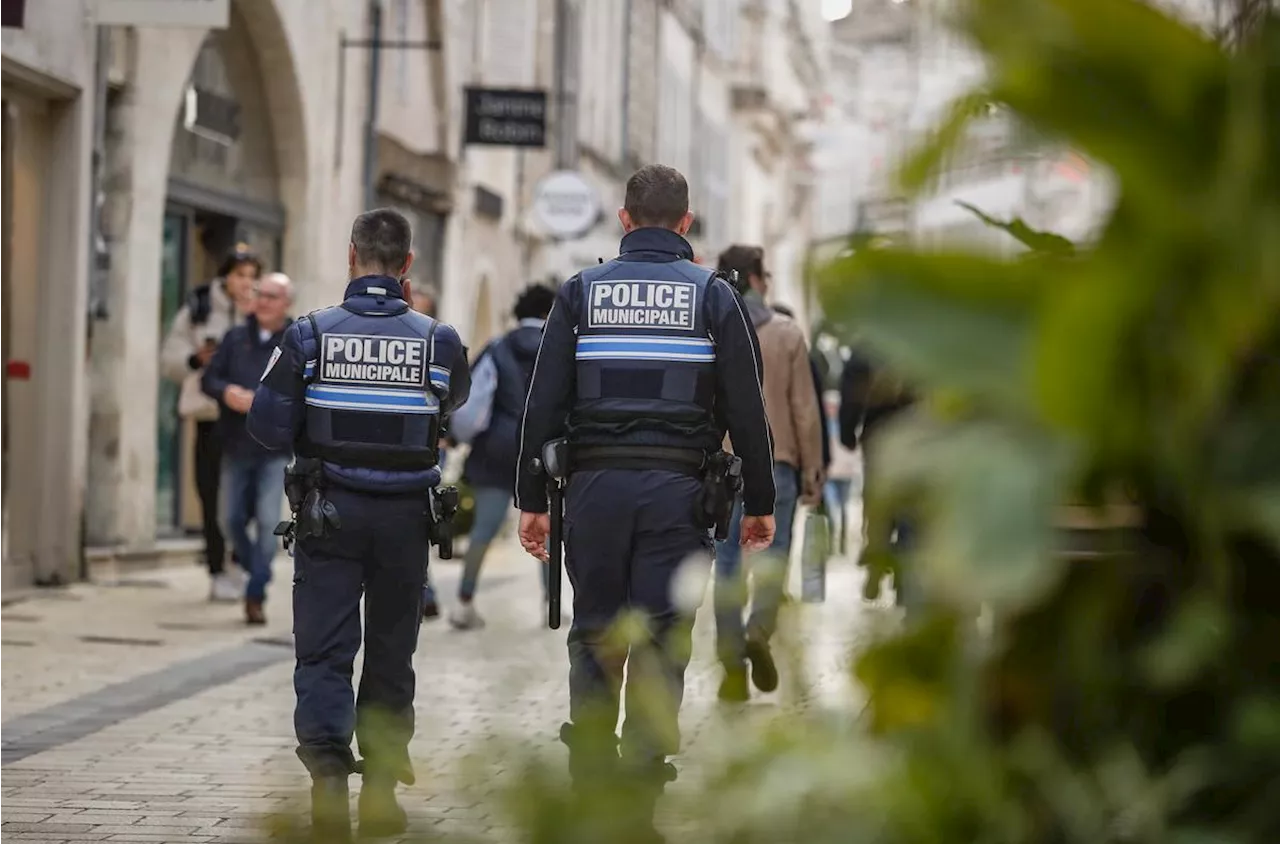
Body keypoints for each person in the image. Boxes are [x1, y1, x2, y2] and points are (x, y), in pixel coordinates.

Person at [515, 164, 776, 841]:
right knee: (662, 640)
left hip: (594, 491)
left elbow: (543, 402)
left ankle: (592, 790)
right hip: (679, 495)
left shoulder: (580, 291)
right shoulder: (714, 296)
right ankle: (639, 800)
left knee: (597, 632)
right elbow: (748, 410)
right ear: (686, 223)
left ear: (623, 219)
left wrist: (531, 499)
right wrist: (759, 501)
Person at [246, 210, 471, 841]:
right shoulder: (440, 339)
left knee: (324, 652)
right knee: (392, 652)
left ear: (352, 258)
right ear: (407, 265)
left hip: (328, 517)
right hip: (405, 521)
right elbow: (454, 407)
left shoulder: (310, 334)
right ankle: (377, 797)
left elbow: (264, 427)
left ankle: (325, 794)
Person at [712, 245, 824, 703]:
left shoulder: (713, 329)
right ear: (758, 278)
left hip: (723, 465)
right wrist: (813, 467)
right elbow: (805, 409)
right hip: (779, 463)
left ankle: (731, 662)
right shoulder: (787, 334)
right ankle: (759, 629)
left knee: (727, 565)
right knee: (774, 558)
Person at [447, 283, 555, 630]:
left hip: (496, 451)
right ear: (547, 314)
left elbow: (472, 405)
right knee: (544, 531)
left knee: (483, 530)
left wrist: (457, 437)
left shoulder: (497, 348)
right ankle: (550, 606)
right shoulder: (557, 350)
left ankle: (464, 602)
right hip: (541, 455)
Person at [160, 245, 260, 601]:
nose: (245, 283)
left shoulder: (261, 313)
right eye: (239, 275)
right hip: (209, 414)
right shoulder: (199, 311)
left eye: (251, 276)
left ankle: (238, 558)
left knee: (246, 495)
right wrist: (194, 358)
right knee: (209, 492)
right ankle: (217, 567)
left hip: (249, 418)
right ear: (226, 277)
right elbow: (169, 358)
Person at [201, 272, 295, 624]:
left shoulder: (296, 340)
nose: (264, 302)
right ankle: (256, 570)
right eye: (260, 294)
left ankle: (255, 591)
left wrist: (269, 403)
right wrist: (227, 393)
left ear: (286, 303)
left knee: (270, 521)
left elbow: (303, 389)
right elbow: (210, 378)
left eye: (272, 296)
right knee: (231, 520)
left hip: (274, 448)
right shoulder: (235, 338)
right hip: (235, 444)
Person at [410, 286, 443, 620]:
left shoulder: (440, 343)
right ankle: (425, 591)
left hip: (429, 451)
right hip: (406, 450)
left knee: (420, 523)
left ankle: (426, 591)